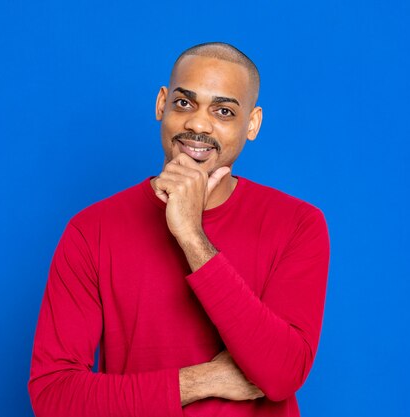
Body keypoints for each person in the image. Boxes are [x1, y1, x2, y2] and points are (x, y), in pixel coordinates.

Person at [28, 42, 330, 417]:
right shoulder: (92, 230)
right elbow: (53, 396)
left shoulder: (298, 224)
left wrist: (191, 235)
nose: (198, 124)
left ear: (251, 124)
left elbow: (282, 375)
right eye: (185, 104)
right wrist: (202, 381)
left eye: (223, 111)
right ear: (161, 104)